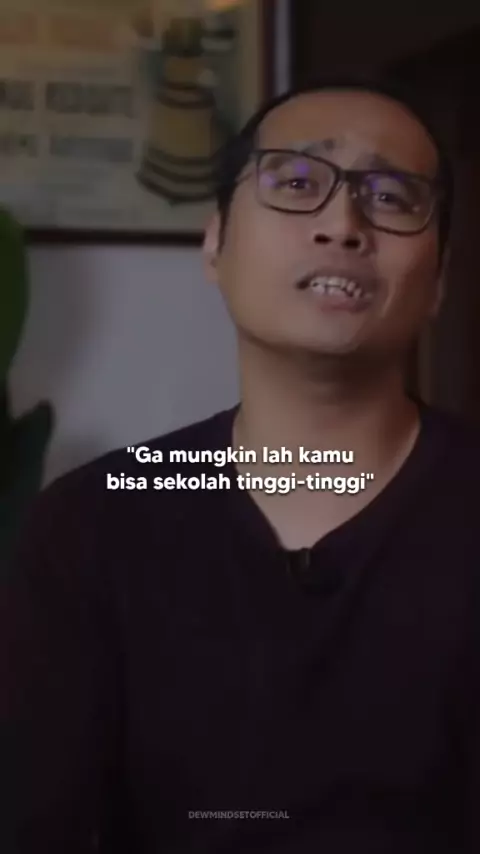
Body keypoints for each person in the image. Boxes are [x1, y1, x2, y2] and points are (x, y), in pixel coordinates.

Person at [3, 75, 480, 854]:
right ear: (216, 243)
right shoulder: (94, 520)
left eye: (391, 197)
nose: (342, 224)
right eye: (295, 183)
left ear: (440, 282)